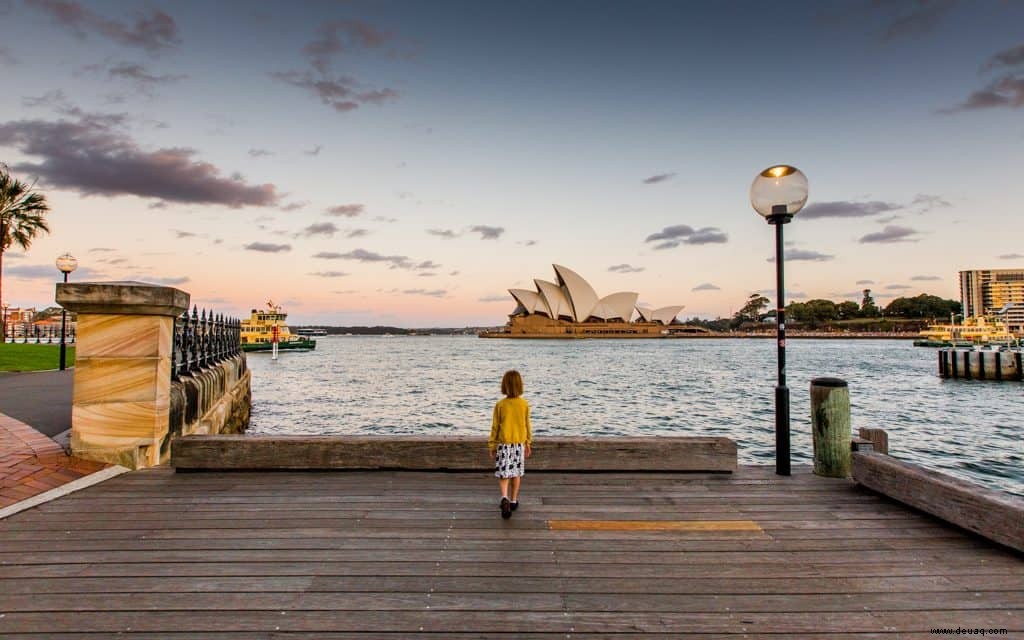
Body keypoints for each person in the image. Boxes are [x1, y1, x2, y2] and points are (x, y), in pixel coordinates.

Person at [488, 369, 532, 519]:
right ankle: (513, 501)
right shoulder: (524, 404)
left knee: (504, 473)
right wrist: (528, 443)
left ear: (504, 385)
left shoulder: (500, 405)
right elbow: (527, 425)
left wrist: (492, 445)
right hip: (518, 444)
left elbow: (495, 427)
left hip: (504, 444)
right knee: (516, 473)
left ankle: (504, 497)